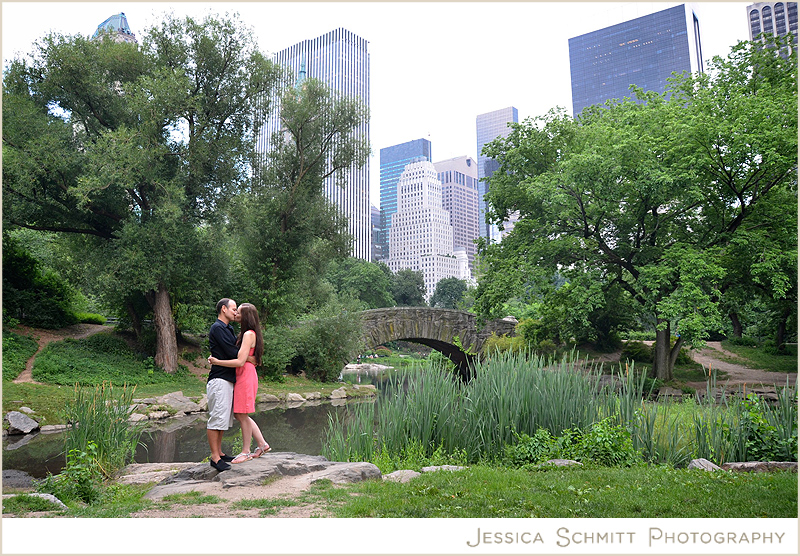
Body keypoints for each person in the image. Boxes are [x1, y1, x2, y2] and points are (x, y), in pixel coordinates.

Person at [208, 302, 271, 464]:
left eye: (239, 312)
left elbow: (239, 360)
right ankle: (262, 444)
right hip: (241, 375)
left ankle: (246, 451)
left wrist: (217, 361)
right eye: (234, 310)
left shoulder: (248, 334)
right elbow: (242, 356)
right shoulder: (240, 332)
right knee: (240, 414)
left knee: (242, 414)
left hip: (244, 375)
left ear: (246, 316)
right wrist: (251, 358)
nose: (236, 314)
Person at [206, 298, 240, 471]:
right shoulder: (217, 328)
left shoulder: (228, 328)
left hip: (227, 379)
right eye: (234, 309)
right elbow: (232, 351)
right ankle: (214, 458)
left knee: (223, 419)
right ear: (224, 309)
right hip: (219, 380)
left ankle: (220, 453)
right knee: (216, 418)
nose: (235, 312)